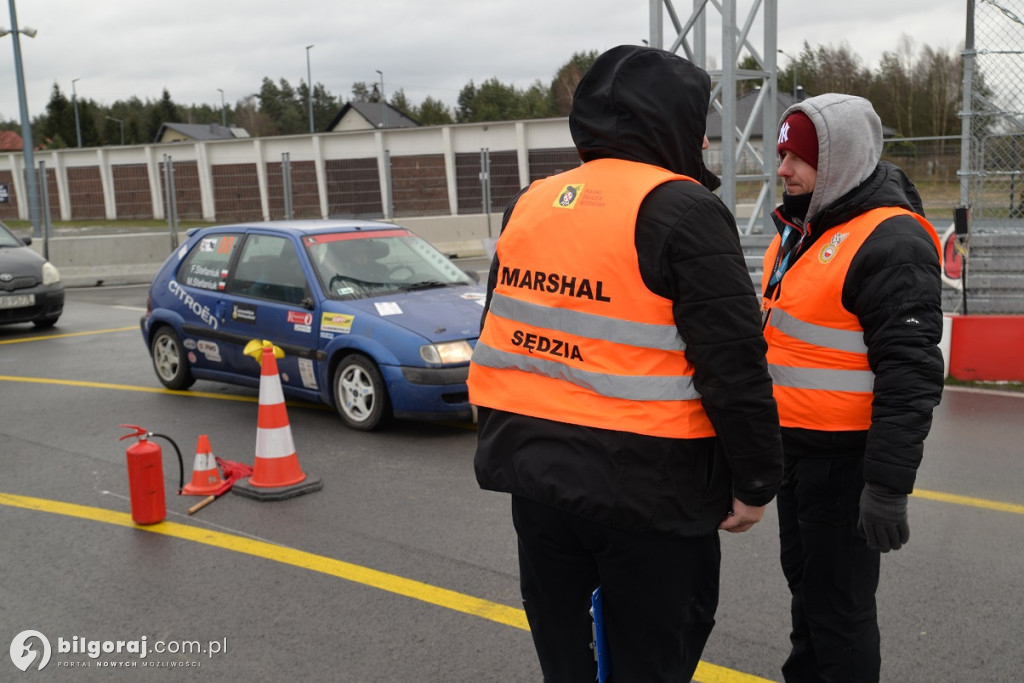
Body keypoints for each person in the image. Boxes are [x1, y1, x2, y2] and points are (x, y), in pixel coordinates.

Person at [467, 45, 783, 682]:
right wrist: (755, 481)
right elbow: (733, 364)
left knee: (567, 659)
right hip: (649, 491)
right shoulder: (683, 209)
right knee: (656, 658)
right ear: (678, 123)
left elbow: (501, 328)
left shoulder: (531, 202)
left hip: (536, 478)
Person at [763, 94, 944, 682]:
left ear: (840, 162)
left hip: (844, 466)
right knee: (810, 603)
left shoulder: (889, 241)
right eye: (783, 152)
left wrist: (887, 488)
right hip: (799, 456)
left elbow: (910, 375)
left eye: (798, 157)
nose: (783, 168)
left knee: (840, 616)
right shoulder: (802, 227)